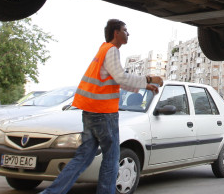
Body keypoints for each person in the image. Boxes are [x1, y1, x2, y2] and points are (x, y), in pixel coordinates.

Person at [41, 19, 163, 194]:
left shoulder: (103, 50)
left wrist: (145, 86)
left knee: (82, 158)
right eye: (125, 30)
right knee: (112, 158)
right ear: (116, 33)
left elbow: (115, 79)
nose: (128, 34)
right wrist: (149, 79)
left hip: (90, 112)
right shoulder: (112, 50)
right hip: (104, 113)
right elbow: (121, 77)